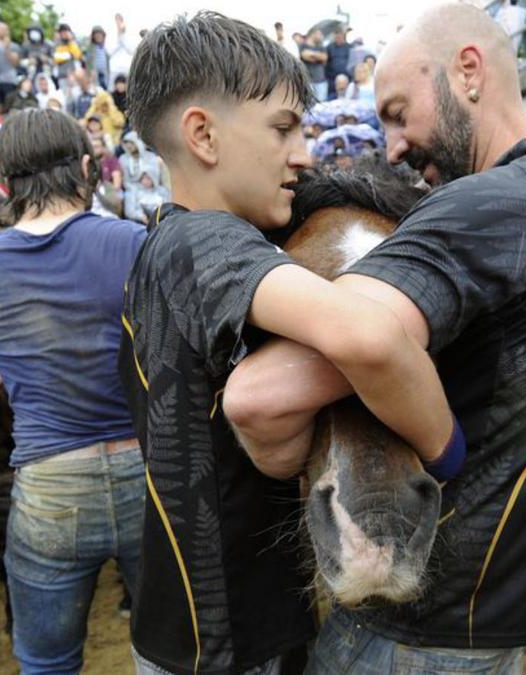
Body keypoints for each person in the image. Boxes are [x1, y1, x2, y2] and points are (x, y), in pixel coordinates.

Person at [223, 3, 526, 671]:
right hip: (490, 615)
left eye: (399, 112)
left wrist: (442, 442)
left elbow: (262, 394)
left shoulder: (502, 201)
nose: (394, 145)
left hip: (416, 636)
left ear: (469, 72)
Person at [120, 12, 461, 674]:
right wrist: (448, 444)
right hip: (228, 639)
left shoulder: (161, 248)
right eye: (283, 129)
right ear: (203, 135)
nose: (302, 153)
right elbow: (363, 335)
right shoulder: (207, 241)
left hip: (194, 623)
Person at [0, 108, 147, 674]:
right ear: (85, 167)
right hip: (151, 475)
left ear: (5, 182)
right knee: (176, 653)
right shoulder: (137, 242)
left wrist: (0, 369)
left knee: (47, 664)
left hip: (51, 492)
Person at [299, 29, 328, 101]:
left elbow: (324, 58)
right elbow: (304, 56)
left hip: (321, 80)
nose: (321, 36)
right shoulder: (303, 45)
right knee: (308, 104)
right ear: (313, 34)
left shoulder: (321, 46)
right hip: (308, 81)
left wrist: (311, 54)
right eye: (319, 34)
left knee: (322, 104)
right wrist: (318, 56)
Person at [324, 27, 351, 101]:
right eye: (336, 37)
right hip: (332, 78)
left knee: (346, 96)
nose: (338, 39)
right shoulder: (329, 47)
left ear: (343, 37)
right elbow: (325, 60)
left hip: (346, 78)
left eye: (340, 37)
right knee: (331, 97)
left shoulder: (349, 47)